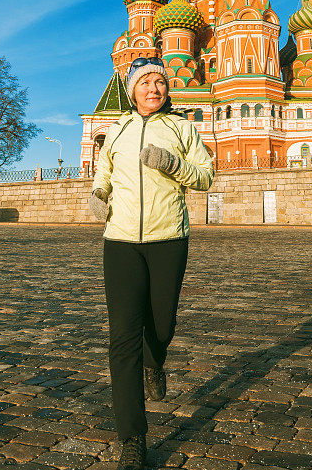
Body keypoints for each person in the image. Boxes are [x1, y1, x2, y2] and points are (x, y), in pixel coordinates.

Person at [89, 57, 214, 470]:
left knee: (162, 323)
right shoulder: (119, 130)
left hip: (168, 238)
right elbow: (102, 171)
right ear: (132, 90)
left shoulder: (182, 127)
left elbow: (205, 175)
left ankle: (154, 359)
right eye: (145, 83)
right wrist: (99, 194)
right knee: (122, 339)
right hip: (121, 241)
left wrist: (173, 164)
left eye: (160, 82)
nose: (153, 89)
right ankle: (132, 438)